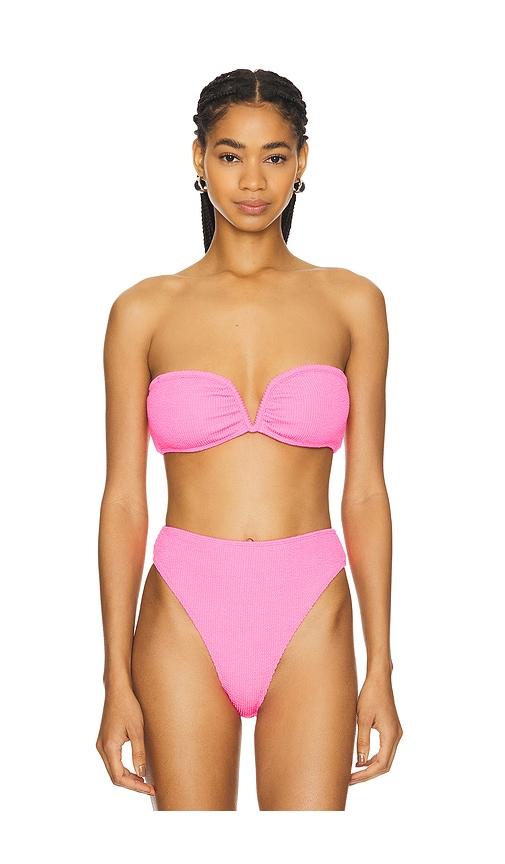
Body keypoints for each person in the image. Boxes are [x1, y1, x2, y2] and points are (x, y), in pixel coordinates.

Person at [96, 67, 402, 811]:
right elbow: (124, 501)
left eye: (274, 156)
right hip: (183, 607)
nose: (253, 181)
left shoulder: (352, 302)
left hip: (312, 605)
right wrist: (114, 680)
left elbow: (365, 492)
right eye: (231, 155)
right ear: (198, 158)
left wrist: (381, 669)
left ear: (303, 162)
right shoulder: (143, 311)